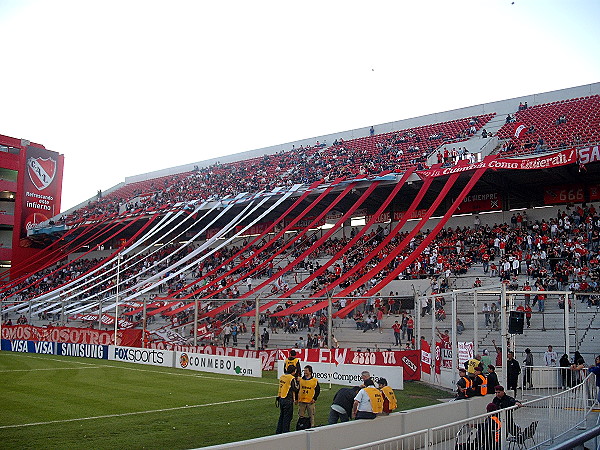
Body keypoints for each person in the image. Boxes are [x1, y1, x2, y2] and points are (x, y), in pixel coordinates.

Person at [276, 364, 299, 434]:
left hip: (281, 398)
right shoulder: (291, 378)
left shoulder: (282, 376)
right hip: (287, 399)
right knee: (287, 417)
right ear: (293, 371)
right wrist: (299, 384)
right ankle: (285, 432)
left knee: (282, 416)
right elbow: (295, 388)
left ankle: (279, 431)